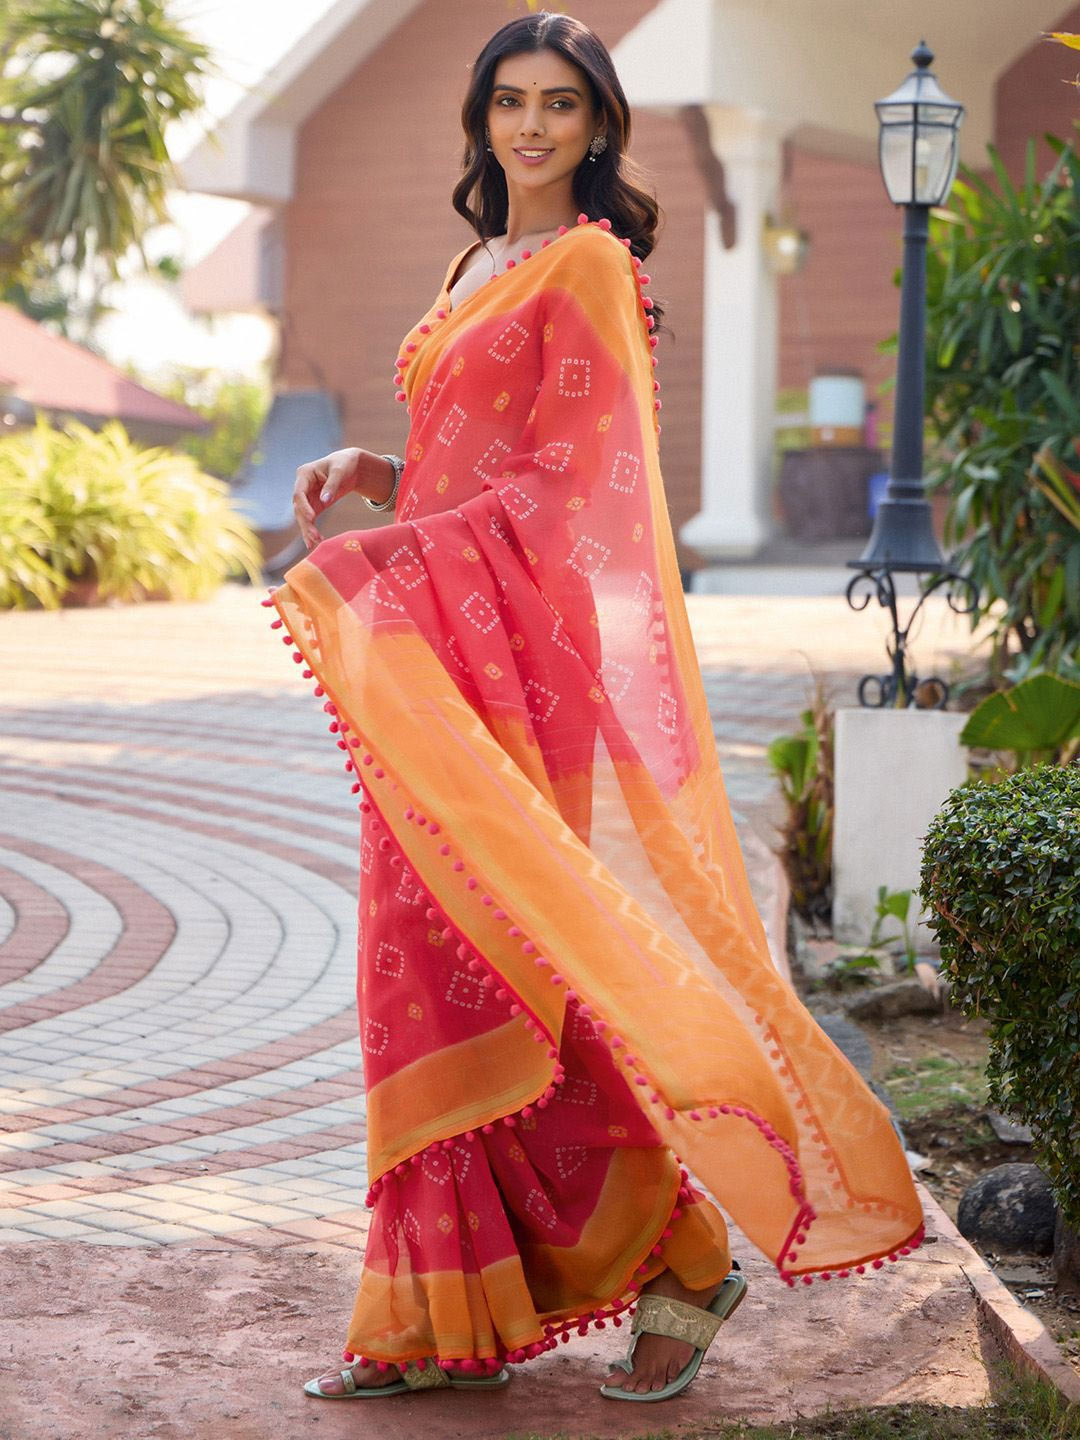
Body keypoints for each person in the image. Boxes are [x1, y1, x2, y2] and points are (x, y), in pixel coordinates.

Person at [273, 9, 923, 1407]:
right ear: (478, 120)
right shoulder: (474, 264)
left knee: (514, 970)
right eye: (508, 101)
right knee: (425, 975)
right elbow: (472, 461)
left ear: (599, 125)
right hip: (439, 663)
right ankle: (447, 1317)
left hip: (513, 672)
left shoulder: (586, 267)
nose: (529, 126)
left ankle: (674, 1259)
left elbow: (578, 498)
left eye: (559, 104)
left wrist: (400, 556)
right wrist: (379, 472)